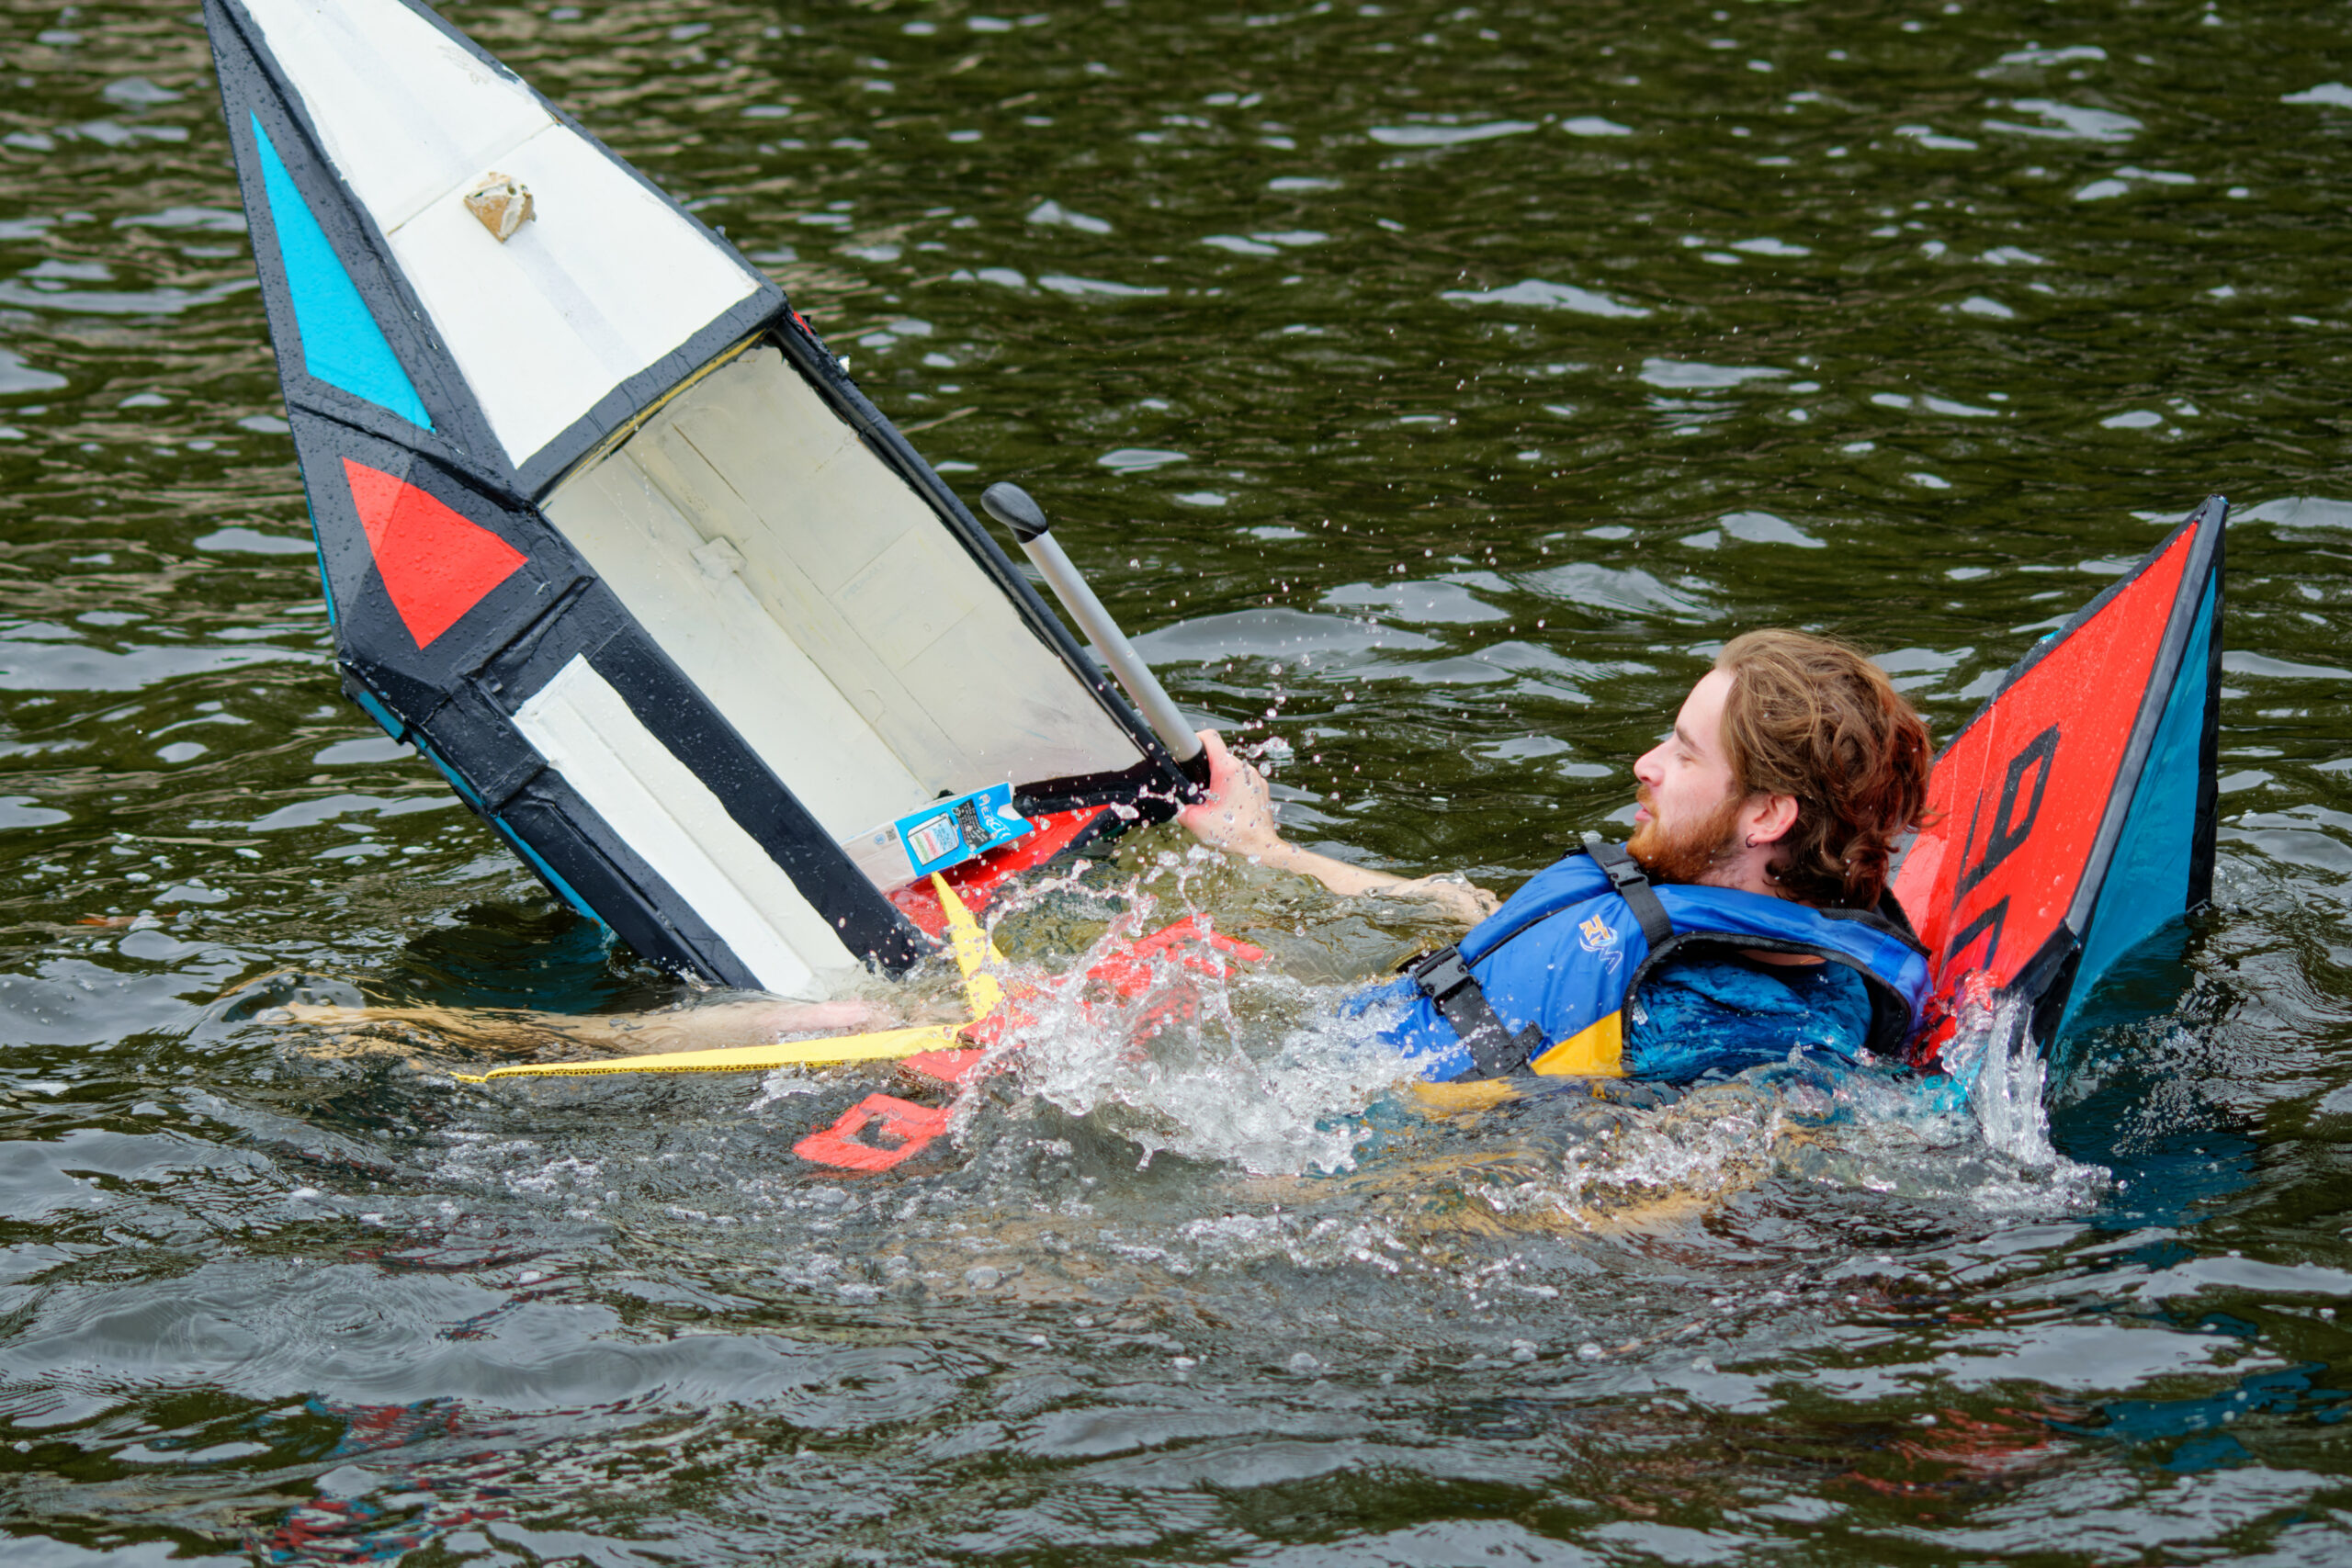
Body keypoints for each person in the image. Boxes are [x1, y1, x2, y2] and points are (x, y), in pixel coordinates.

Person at [1179, 629, 1938, 1084]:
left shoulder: (1752, 1042)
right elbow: (1475, 916)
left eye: (1684, 752)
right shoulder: (1668, 914)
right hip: (1321, 1049)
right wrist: (1261, 847)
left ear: (1767, 815)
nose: (1646, 764)